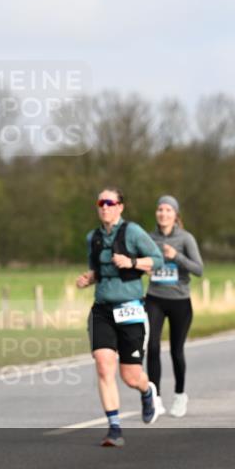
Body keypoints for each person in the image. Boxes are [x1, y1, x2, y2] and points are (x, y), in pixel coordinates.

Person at [76, 187, 165, 447]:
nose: (104, 207)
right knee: (104, 365)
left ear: (120, 207)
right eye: (100, 202)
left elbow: (157, 260)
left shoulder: (133, 232)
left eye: (109, 202)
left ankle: (147, 391)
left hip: (130, 309)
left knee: (130, 376)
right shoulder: (92, 237)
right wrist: (88, 278)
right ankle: (114, 428)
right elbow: (97, 270)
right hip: (102, 309)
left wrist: (133, 263)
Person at [144, 195, 203, 418]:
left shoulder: (186, 238)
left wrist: (175, 256)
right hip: (154, 298)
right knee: (152, 346)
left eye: (168, 210)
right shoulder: (148, 239)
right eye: (160, 210)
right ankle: (155, 397)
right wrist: (145, 268)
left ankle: (180, 396)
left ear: (175, 215)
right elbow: (140, 262)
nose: (163, 214)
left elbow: (199, 269)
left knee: (176, 350)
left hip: (180, 301)